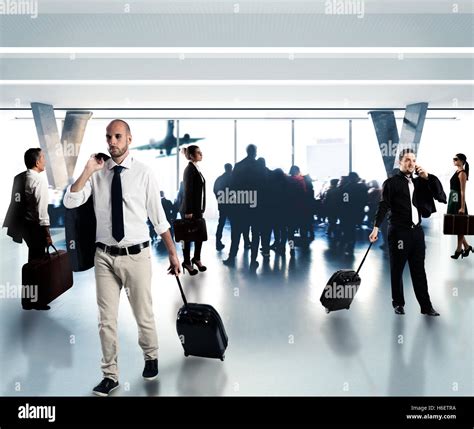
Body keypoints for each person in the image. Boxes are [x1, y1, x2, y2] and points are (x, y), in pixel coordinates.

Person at [63, 119, 181, 396]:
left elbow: (159, 218)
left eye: (117, 136)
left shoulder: (144, 173)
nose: (112, 141)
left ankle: (151, 357)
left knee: (143, 314)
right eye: (108, 137)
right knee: (106, 321)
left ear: (129, 139)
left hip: (136, 256)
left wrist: (173, 254)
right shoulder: (98, 173)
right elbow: (71, 201)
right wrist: (88, 169)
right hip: (104, 256)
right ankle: (110, 375)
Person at [369, 148, 440, 317]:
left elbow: (438, 194)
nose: (411, 163)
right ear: (400, 162)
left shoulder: (419, 182)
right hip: (399, 233)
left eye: (414, 160)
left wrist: (427, 177)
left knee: (419, 270)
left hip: (417, 232)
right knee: (397, 269)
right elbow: (383, 205)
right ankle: (398, 303)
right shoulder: (391, 183)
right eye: (407, 160)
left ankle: (426, 306)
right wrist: (376, 227)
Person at [3, 148, 53, 310]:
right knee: (38, 265)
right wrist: (47, 234)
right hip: (37, 228)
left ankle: (27, 300)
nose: (45, 160)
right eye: (43, 157)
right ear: (37, 162)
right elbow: (42, 212)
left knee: (32, 263)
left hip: (25, 227)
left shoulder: (20, 178)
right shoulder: (39, 180)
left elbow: (17, 204)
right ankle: (37, 301)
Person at [180, 145, 207, 275]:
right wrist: (189, 211)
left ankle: (196, 258)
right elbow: (188, 191)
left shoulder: (196, 168)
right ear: (191, 156)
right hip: (189, 210)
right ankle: (186, 262)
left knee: (199, 234)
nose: (201, 154)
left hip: (197, 209)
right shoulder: (189, 170)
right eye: (198, 152)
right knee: (187, 237)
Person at [447, 153, 472, 259]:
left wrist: (462, 207)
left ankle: (459, 249)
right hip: (453, 199)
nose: (454, 160)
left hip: (457, 201)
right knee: (457, 225)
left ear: (461, 161)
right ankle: (466, 247)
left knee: (459, 226)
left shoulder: (462, 173)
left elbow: (462, 191)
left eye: (455, 159)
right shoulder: (457, 171)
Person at [213, 163, 233, 251]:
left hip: (222, 205)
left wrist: (219, 199)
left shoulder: (219, 179)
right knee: (234, 225)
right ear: (231, 168)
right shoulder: (233, 178)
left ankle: (218, 242)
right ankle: (234, 244)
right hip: (232, 205)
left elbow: (215, 190)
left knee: (221, 223)